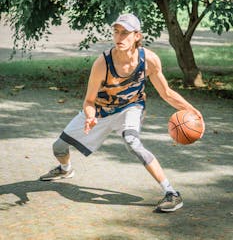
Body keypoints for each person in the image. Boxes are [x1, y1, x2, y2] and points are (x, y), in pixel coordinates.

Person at [40, 13, 203, 212]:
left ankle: (171, 193)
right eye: (116, 32)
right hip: (100, 109)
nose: (119, 37)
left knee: (132, 142)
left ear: (137, 36)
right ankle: (65, 169)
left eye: (125, 33)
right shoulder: (102, 63)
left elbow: (166, 93)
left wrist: (190, 109)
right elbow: (89, 101)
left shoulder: (149, 60)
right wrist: (90, 116)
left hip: (131, 107)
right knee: (58, 147)